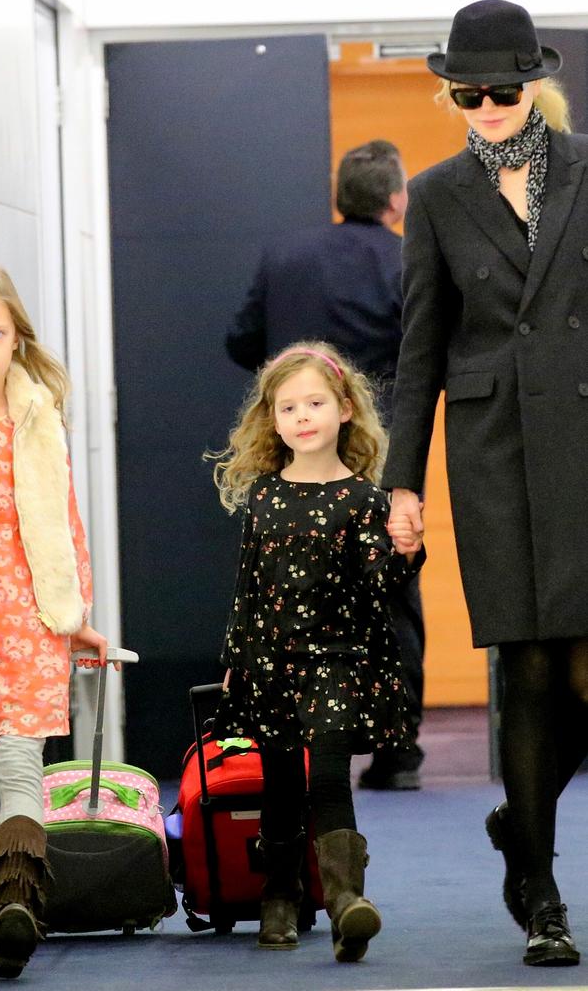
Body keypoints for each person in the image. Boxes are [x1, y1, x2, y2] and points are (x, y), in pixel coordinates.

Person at [382, 0, 587, 968]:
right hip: (494, 451)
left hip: (583, 440)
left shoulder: (587, 169)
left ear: (529, 84)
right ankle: (540, 888)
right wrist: (400, 483)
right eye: (465, 92)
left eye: (500, 89)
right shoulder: (434, 194)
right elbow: (416, 350)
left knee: (578, 670)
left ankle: (521, 817)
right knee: (528, 668)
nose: (485, 105)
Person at [207, 341, 424, 961]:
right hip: (271, 662)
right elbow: (248, 588)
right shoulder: (265, 498)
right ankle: (279, 895)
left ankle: (346, 901)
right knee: (280, 782)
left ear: (346, 409)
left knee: (328, 775)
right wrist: (235, 661)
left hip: (339, 660)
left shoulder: (365, 500)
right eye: (288, 407)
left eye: (315, 403)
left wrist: (406, 553)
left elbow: (381, 589)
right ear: (272, 421)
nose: (302, 416)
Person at [227, 140, 426, 790]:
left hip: (293, 459)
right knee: (390, 586)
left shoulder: (285, 256)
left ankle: (292, 733)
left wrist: (290, 393)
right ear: (396, 199)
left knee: (281, 584)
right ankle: (398, 754)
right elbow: (427, 353)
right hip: (379, 444)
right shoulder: (406, 258)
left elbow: (241, 341)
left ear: (341, 196)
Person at [0, 266, 108, 979]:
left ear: (17, 339)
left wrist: (78, 620)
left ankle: (16, 908)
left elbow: (64, 523)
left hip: (28, 615)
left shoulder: (39, 414)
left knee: (19, 758)